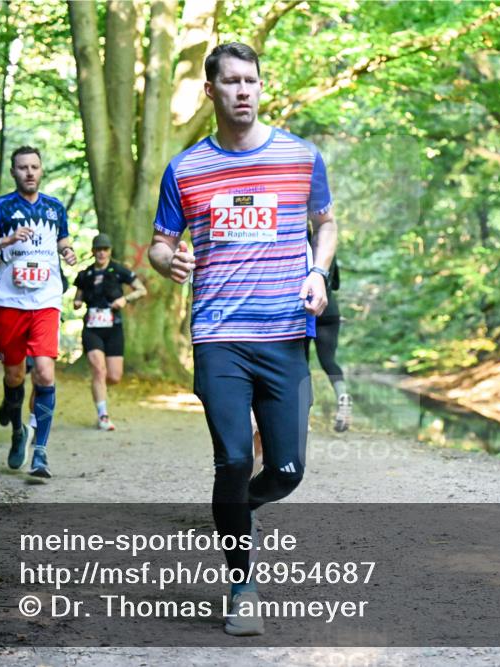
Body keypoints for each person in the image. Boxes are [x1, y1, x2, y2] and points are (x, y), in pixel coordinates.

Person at [149, 42, 337, 636]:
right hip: (219, 336)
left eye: (251, 80)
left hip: (284, 336)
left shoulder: (302, 158)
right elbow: (159, 241)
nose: (243, 91)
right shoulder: (184, 169)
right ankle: (241, 583)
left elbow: (325, 224)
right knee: (232, 457)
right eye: (230, 82)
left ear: (261, 86)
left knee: (285, 471)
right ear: (211, 92)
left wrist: (317, 271)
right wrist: (165, 261)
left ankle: (237, 511)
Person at [0, 145, 77, 479]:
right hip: (9, 303)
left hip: (45, 301)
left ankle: (40, 452)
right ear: (13, 172)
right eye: (22, 167)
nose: (29, 172)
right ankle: (18, 430)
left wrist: (69, 251)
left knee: (44, 373)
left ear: (41, 170)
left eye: (34, 167)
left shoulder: (55, 207)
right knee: (14, 376)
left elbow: (62, 240)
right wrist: (6, 240)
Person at [73, 233, 147, 431]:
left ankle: (100, 387)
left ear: (109, 251)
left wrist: (125, 299)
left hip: (114, 327)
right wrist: (78, 302)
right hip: (92, 328)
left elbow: (141, 290)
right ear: (93, 252)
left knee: (113, 376)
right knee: (99, 369)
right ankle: (103, 415)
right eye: (98, 249)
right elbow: (77, 298)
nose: (101, 253)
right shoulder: (85, 274)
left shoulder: (118, 270)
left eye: (105, 249)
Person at [312, 258, 352, 432]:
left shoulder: (297, 240)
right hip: (329, 308)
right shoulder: (328, 249)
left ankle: (302, 415)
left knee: (299, 361)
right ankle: (342, 395)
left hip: (304, 307)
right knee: (329, 361)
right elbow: (335, 284)